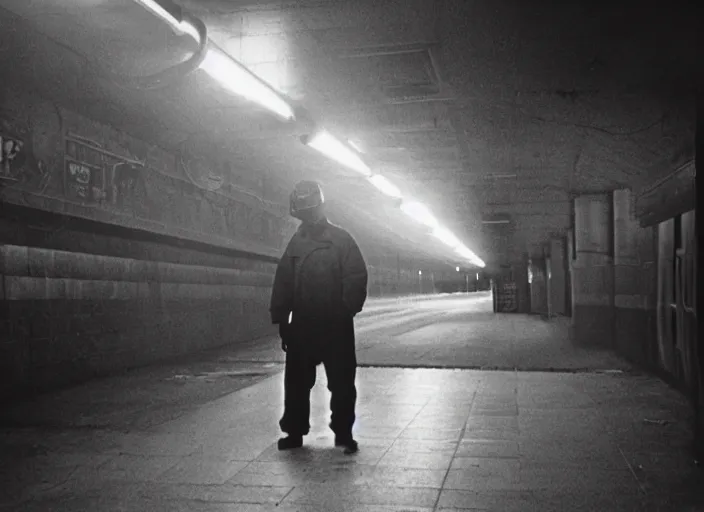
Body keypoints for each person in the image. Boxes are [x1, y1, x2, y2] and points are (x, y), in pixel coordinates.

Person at [270, 180, 368, 454]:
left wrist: (346, 309)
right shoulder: (299, 244)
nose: (307, 217)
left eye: (308, 210)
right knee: (298, 383)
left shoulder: (340, 240)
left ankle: (344, 431)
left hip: (334, 323)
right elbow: (285, 283)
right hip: (304, 324)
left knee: (341, 383)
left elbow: (355, 277)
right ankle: (295, 431)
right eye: (303, 212)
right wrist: (282, 320)